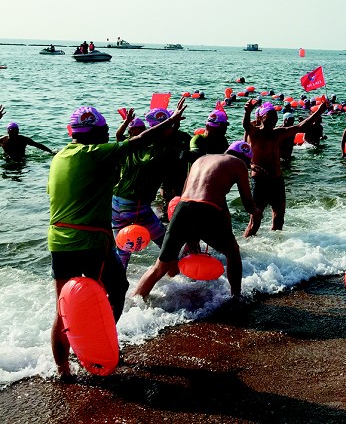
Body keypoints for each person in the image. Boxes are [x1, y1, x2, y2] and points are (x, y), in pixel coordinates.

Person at [48, 102, 185, 378]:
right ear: (95, 134)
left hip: (58, 242)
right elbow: (141, 140)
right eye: (105, 131)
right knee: (117, 288)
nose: (109, 135)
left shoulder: (60, 156)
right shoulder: (95, 153)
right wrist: (172, 120)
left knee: (64, 308)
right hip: (91, 243)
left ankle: (63, 370)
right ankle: (99, 345)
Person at [133, 141, 262, 299]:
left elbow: (187, 193)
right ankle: (236, 298)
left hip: (182, 209)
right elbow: (248, 204)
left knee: (160, 266)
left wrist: (191, 235)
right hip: (206, 210)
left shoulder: (201, 159)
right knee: (233, 253)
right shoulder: (239, 164)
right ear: (246, 159)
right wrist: (256, 212)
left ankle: (134, 305)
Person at [243, 99, 327, 234]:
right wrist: (247, 113)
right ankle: (246, 251)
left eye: (275, 118)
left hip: (277, 180)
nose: (273, 120)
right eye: (270, 117)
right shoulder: (255, 133)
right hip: (260, 182)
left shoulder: (278, 133)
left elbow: (301, 127)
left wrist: (319, 111)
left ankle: (276, 249)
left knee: (279, 218)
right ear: (261, 117)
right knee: (255, 221)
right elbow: (246, 126)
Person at [111, 109, 178, 269]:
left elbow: (119, 137)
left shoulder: (132, 143)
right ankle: (181, 278)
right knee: (165, 243)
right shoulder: (160, 151)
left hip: (115, 203)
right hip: (136, 205)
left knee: (123, 248)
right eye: (169, 126)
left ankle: (116, 287)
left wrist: (127, 122)